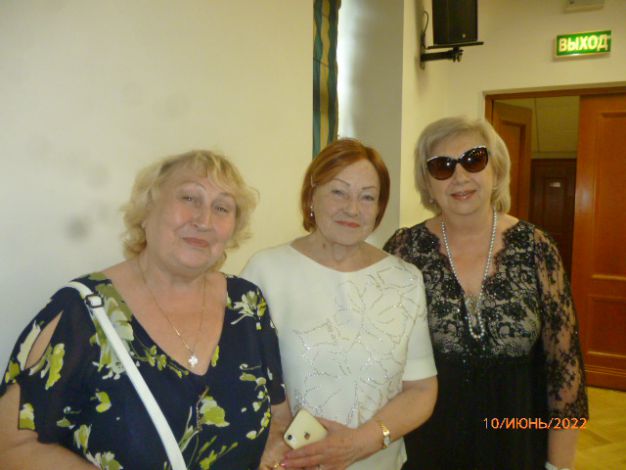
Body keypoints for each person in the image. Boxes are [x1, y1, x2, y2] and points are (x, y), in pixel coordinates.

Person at [0, 150, 291, 469]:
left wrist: (287, 449)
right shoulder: (82, 311)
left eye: (222, 208)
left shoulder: (247, 304)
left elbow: (278, 418)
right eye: (189, 198)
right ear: (147, 210)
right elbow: (11, 446)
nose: (204, 221)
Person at [383, 116, 589, 470]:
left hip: (518, 442)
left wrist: (560, 466)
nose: (460, 176)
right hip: (426, 447)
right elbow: (382, 357)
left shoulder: (536, 247)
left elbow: (565, 368)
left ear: (496, 169)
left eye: (474, 159)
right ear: (427, 182)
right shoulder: (404, 250)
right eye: (442, 166)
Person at [242, 138, 438, 470]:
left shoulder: (405, 279)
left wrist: (360, 443)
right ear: (311, 195)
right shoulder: (266, 271)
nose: (352, 209)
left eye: (367, 197)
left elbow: (420, 389)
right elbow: (240, 379)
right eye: (338, 192)